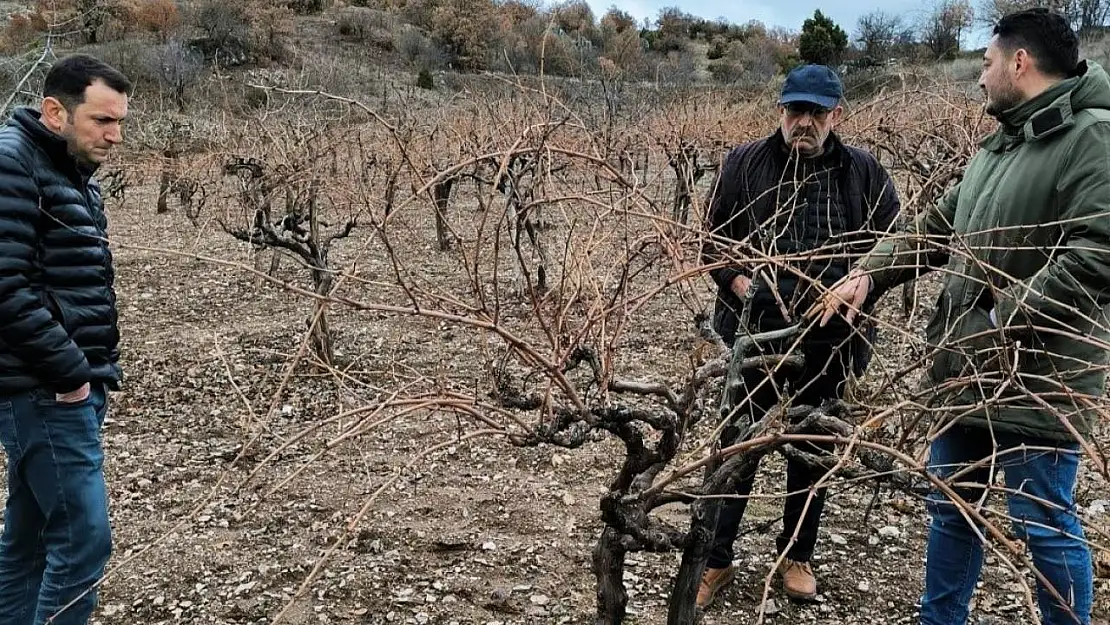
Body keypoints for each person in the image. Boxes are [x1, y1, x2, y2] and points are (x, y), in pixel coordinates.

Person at [810, 9, 1101, 625]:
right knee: (952, 505)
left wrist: (1001, 320)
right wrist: (870, 273)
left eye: (987, 62)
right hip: (965, 369)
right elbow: (938, 225)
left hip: (1035, 377)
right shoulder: (1003, 141)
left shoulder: (1091, 138)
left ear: (1019, 63)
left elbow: (1098, 255)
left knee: (1042, 524)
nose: (980, 76)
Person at [698, 63, 900, 609]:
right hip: (752, 334)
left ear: (837, 114)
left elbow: (891, 248)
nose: (803, 122)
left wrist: (863, 281)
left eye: (815, 112)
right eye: (795, 110)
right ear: (780, 111)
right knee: (738, 446)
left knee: (813, 448)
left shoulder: (864, 173)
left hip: (830, 341)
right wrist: (737, 280)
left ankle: (796, 554)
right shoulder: (743, 164)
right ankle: (715, 561)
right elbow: (711, 242)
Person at [0, 54, 130, 624]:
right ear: (55, 111)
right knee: (82, 542)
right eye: (102, 120)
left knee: (27, 542)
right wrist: (72, 371)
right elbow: (4, 286)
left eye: (121, 121)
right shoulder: (12, 163)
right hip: (43, 388)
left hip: (56, 384)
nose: (115, 135)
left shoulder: (61, 167)